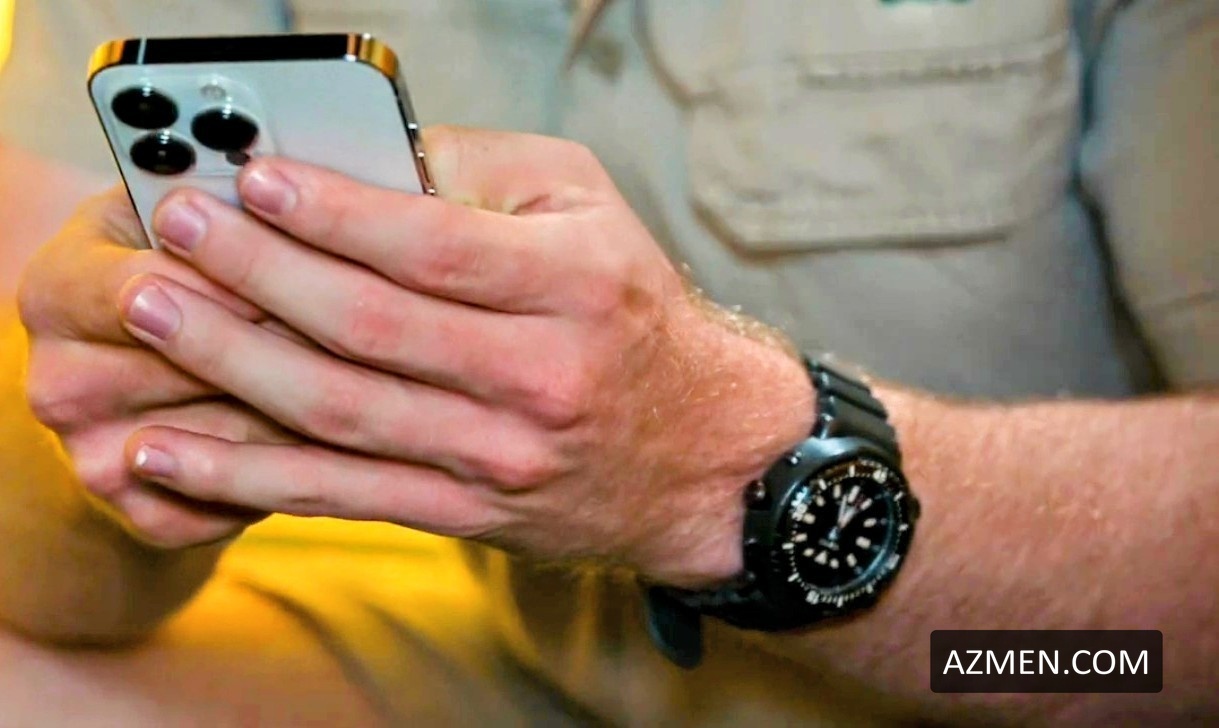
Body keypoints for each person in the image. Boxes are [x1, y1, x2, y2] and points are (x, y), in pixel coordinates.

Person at [1, 0, 1216, 724]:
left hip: (1015, 673)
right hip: (532, 672)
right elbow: (51, 580)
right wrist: (120, 431)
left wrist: (711, 465)